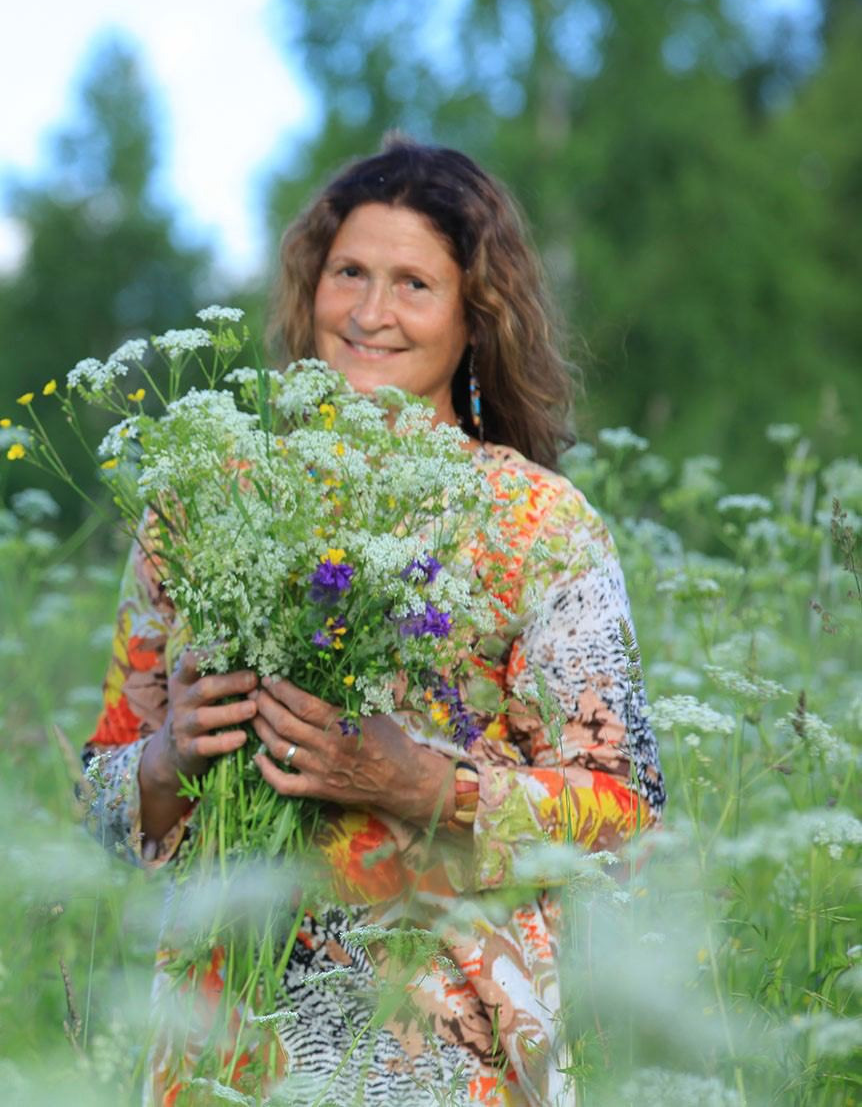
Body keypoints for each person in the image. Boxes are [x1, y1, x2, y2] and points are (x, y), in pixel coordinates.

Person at [82, 138, 666, 1107]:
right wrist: (166, 758)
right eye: (349, 272)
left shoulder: (540, 525)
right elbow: (100, 804)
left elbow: (628, 814)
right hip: (221, 1047)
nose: (369, 313)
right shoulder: (201, 505)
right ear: (311, 285)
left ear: (475, 318)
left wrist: (427, 786)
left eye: (413, 285)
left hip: (440, 1050)